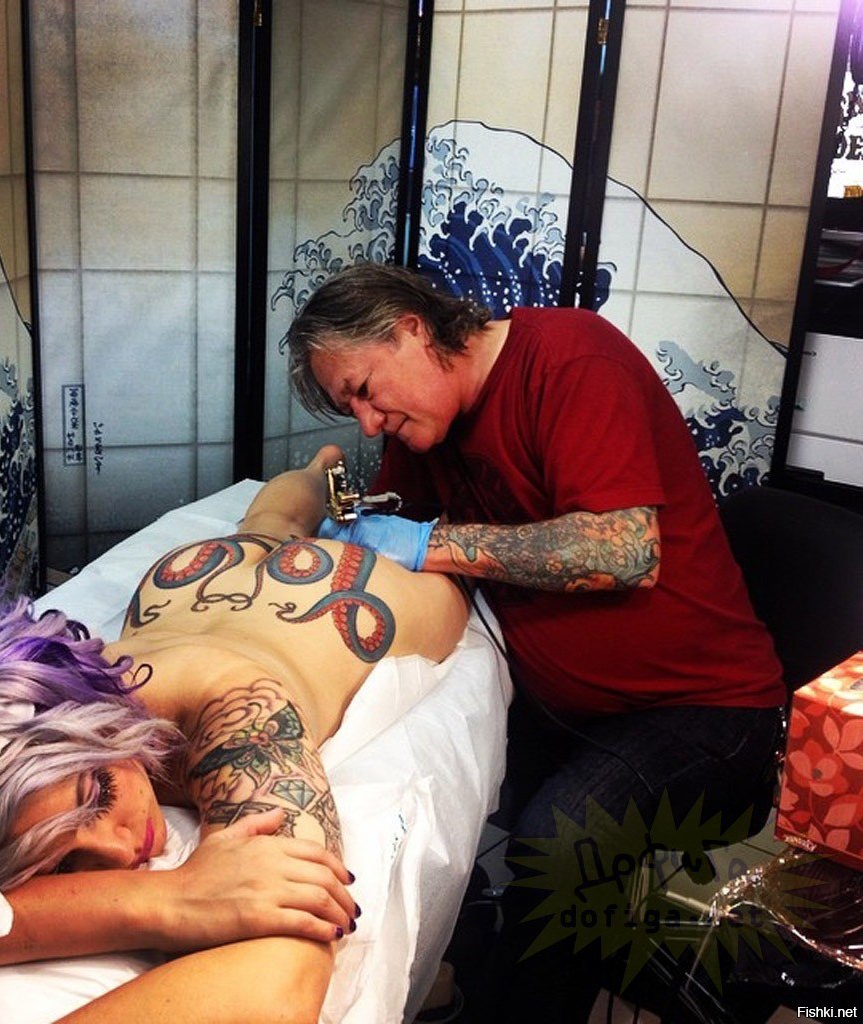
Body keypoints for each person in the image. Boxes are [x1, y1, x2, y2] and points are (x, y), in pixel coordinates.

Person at [284, 262, 787, 1020]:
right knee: (421, 809)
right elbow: (394, 539)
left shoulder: (571, 360)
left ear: (411, 331)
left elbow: (623, 550)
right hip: (566, 709)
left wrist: (428, 545)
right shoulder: (425, 424)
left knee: (556, 851)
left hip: (706, 712)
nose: (367, 423)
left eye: (362, 390)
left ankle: (690, 995)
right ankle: (471, 968)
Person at [0, 444, 468, 1023]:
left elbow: (279, 981)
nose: (118, 855)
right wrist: (160, 899)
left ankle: (322, 467)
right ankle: (318, 469)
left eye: (99, 793)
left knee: (301, 526)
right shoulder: (20, 734)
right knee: (268, 526)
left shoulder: (241, 713)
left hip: (365, 584)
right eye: (63, 864)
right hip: (196, 584)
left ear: (93, 716)